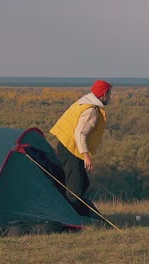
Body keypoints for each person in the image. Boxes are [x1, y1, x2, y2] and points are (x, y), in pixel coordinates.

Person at [50, 80, 112, 218]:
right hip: (71, 150)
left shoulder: (83, 102)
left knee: (83, 184)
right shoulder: (91, 111)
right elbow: (80, 133)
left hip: (67, 147)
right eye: (109, 94)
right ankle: (71, 221)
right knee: (75, 189)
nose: (110, 97)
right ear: (103, 94)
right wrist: (87, 156)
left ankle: (85, 217)